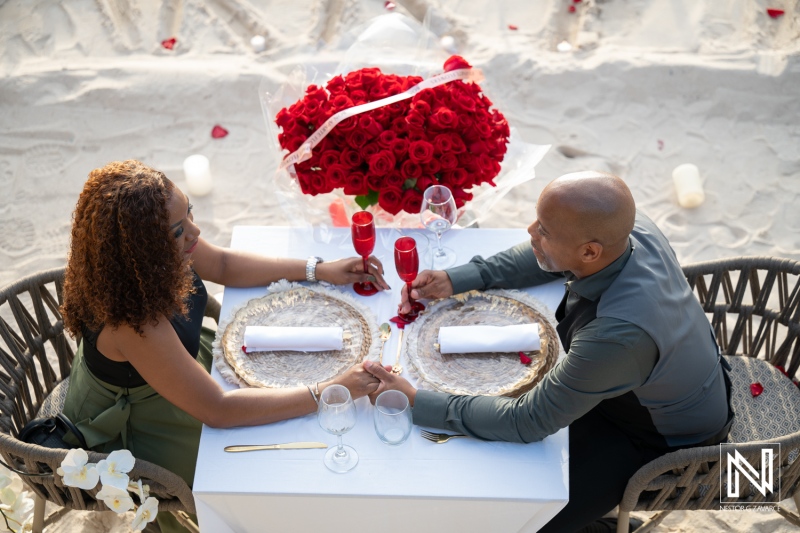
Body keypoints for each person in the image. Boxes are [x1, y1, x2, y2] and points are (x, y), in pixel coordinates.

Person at [364, 171, 733, 532]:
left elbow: (527, 421)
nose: (530, 232)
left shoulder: (617, 335)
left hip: (660, 438)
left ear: (590, 251)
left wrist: (414, 400)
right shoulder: (630, 229)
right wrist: (459, 278)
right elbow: (543, 256)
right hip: (628, 386)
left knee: (516, 518)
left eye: (544, 229)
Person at [60, 160, 388, 532]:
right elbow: (219, 409)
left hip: (176, 366)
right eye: (180, 229)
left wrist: (319, 269)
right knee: (266, 471)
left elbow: (226, 264)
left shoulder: (157, 250)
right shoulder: (133, 323)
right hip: (146, 418)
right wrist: (331, 390)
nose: (195, 232)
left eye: (190, 214)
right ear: (141, 246)